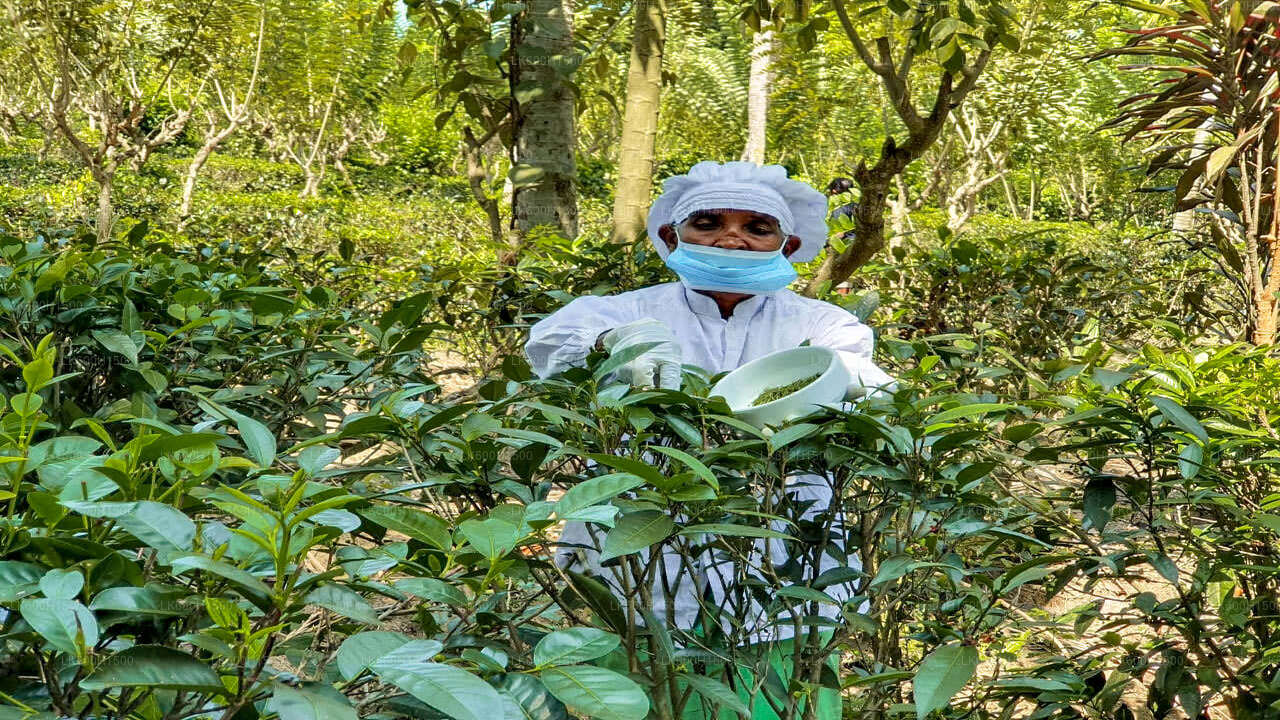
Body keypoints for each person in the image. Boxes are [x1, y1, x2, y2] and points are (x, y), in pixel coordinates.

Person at [524, 161, 895, 720]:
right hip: (644, 534)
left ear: (788, 243)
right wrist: (612, 342)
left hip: (783, 534)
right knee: (644, 680)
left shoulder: (824, 324)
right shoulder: (628, 311)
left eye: (757, 227)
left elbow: (851, 377)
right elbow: (550, 342)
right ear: (672, 236)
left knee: (778, 681)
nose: (732, 237)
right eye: (708, 222)